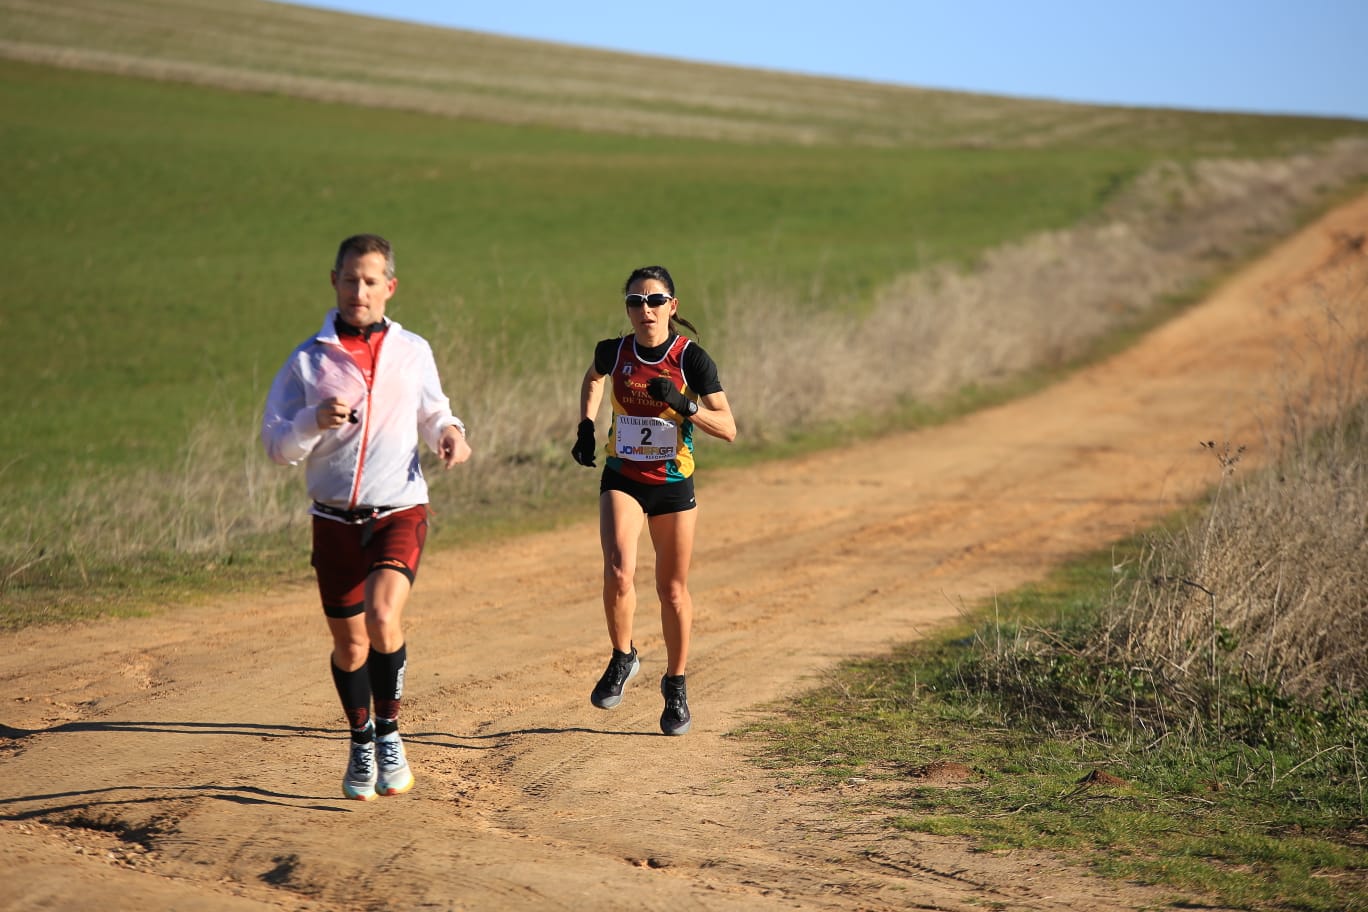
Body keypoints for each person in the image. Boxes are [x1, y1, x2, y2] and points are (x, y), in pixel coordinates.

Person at [261, 234, 471, 800]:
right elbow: (277, 446)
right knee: (351, 647)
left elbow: (434, 411)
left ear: (389, 288)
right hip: (332, 520)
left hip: (398, 507)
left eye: (371, 280)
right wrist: (310, 420)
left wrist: (451, 434)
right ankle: (360, 741)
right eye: (350, 279)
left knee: (383, 617)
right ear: (334, 281)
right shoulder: (308, 359)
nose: (360, 290)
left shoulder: (412, 350)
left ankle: (391, 734)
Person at [571, 265, 736, 735]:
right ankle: (623, 656)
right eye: (636, 301)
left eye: (655, 300)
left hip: (671, 483)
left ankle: (676, 683)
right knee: (619, 569)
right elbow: (593, 377)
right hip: (623, 475)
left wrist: (686, 405)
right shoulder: (614, 351)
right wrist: (586, 424)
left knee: (672, 590)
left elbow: (728, 428)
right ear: (627, 308)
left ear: (672, 306)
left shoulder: (691, 360)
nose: (646, 309)